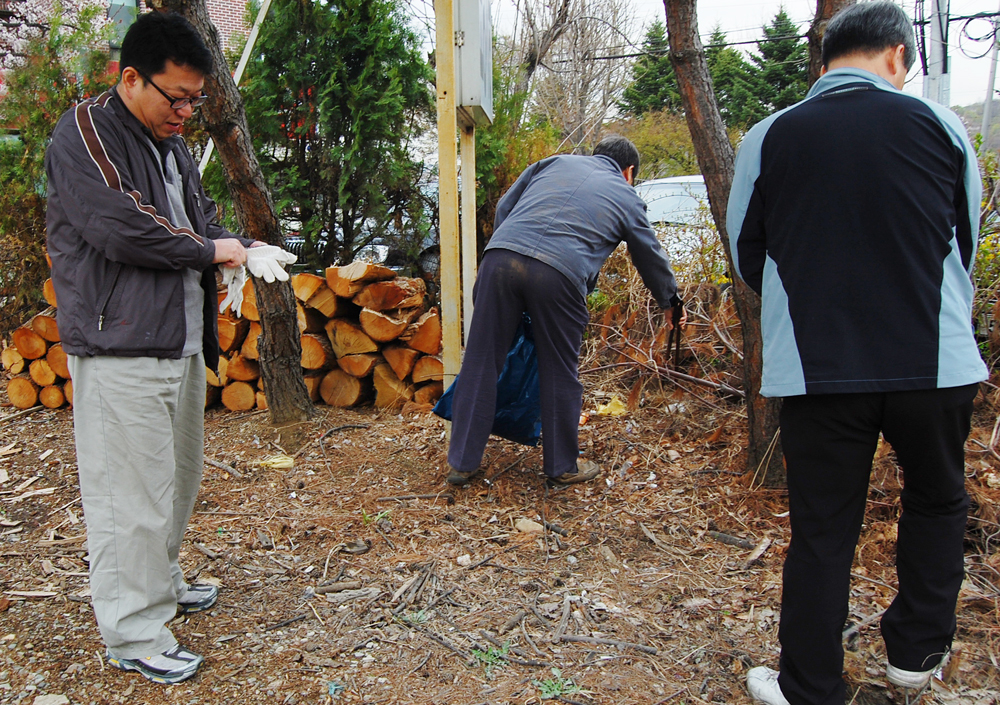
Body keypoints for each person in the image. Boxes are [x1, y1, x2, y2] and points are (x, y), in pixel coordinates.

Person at [727, 3, 985, 704]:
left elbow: (748, 252)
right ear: (899, 55)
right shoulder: (941, 126)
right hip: (934, 360)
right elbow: (965, 236)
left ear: (824, 60)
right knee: (937, 499)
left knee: (822, 526)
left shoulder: (771, 134)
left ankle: (809, 684)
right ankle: (915, 656)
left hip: (818, 368)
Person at [45, 12, 288, 685]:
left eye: (196, 98)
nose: (187, 111)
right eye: (175, 96)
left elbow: (199, 219)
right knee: (130, 492)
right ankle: (133, 628)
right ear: (130, 78)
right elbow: (123, 225)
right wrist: (214, 249)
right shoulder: (85, 133)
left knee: (175, 478)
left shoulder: (171, 143)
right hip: (118, 342)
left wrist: (242, 246)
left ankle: (162, 580)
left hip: (178, 337)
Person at [446, 135, 684, 486]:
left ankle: (462, 463)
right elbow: (648, 253)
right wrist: (671, 301)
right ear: (629, 171)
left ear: (595, 156)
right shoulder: (626, 196)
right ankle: (561, 467)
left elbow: (503, 208)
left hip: (500, 260)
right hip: (559, 275)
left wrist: (510, 251)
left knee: (481, 361)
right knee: (559, 370)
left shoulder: (554, 163)